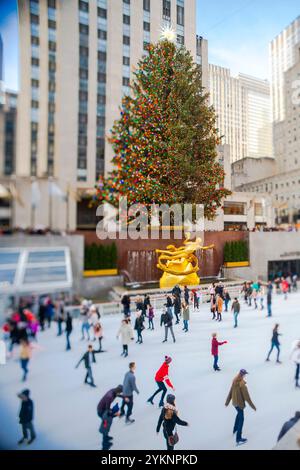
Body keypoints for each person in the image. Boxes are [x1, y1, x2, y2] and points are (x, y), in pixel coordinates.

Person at [225, 369, 256, 446]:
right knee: (241, 419)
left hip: (235, 403)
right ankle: (238, 438)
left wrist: (227, 402)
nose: (245, 376)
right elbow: (247, 398)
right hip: (239, 404)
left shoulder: (234, 380)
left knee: (238, 414)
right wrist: (253, 406)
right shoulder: (242, 385)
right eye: (245, 374)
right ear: (243, 375)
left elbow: (230, 391)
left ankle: (235, 429)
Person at [97, 385, 124, 450]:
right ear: (118, 391)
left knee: (106, 425)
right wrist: (117, 414)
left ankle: (106, 437)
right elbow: (108, 411)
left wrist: (123, 397)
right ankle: (105, 445)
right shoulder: (109, 397)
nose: (120, 394)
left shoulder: (113, 391)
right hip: (102, 412)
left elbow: (116, 395)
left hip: (104, 410)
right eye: (120, 393)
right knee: (105, 426)